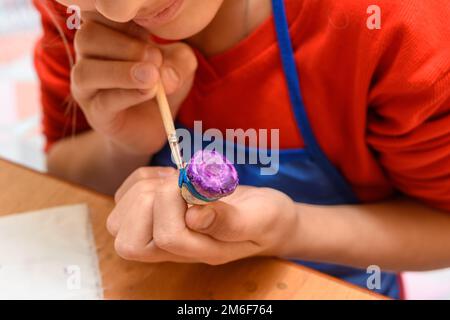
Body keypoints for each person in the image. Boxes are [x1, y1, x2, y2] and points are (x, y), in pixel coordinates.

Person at [33, 0, 450, 298]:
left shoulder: (390, 23)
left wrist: (292, 230)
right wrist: (122, 146)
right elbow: (67, 177)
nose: (121, 10)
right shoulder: (78, 15)